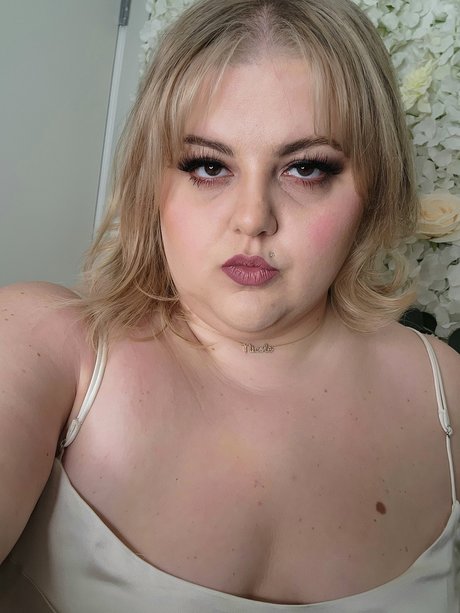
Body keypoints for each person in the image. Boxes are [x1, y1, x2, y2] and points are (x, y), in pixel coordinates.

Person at [1, 0, 459, 610]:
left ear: (373, 188)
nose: (252, 218)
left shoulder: (446, 391)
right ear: (151, 180)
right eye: (208, 166)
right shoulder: (45, 344)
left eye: (305, 169)